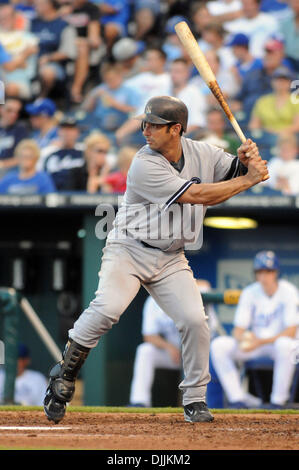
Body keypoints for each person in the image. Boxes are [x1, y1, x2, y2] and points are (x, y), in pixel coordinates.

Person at [43, 95, 268, 425]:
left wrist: (247, 161)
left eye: (154, 125)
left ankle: (194, 399)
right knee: (107, 309)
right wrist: (249, 178)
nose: (145, 129)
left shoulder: (202, 152)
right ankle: (64, 373)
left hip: (170, 257)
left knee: (195, 321)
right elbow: (199, 194)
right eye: (145, 123)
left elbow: (231, 172)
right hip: (129, 249)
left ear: (176, 129)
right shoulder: (144, 162)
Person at [211, 251, 299, 409]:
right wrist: (245, 339)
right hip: (256, 345)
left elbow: (291, 331)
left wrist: (259, 341)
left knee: (285, 344)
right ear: (256, 274)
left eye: (268, 271)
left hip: (279, 346)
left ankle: (278, 401)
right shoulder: (250, 292)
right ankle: (237, 400)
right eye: (260, 272)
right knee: (219, 345)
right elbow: (238, 329)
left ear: (276, 273)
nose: (264, 276)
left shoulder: (288, 291)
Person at [129, 279, 220, 407]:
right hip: (175, 354)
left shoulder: (193, 291)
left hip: (200, 352)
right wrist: (169, 347)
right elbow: (149, 336)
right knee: (145, 350)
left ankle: (202, 403)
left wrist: (183, 283)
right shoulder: (153, 301)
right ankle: (139, 401)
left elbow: (205, 284)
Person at [82, 62, 140, 142]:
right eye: (107, 79)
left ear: (119, 77)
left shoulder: (129, 90)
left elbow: (135, 110)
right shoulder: (101, 89)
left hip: (120, 123)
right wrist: (93, 98)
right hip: (99, 123)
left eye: (112, 79)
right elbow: (86, 109)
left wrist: (114, 103)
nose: (110, 82)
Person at [30, 0, 77, 98]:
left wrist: (48, 57)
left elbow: (68, 52)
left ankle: (41, 99)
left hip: (53, 64)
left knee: (47, 72)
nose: (35, 6)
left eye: (39, 4)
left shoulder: (64, 25)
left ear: (50, 5)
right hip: (30, 61)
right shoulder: (32, 23)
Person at [60, 0, 102, 103]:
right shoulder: (62, 7)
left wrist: (82, 41)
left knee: (82, 48)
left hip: (83, 46)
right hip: (63, 44)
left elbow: (94, 40)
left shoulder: (91, 8)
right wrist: (59, 15)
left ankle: (76, 89)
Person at [0, 3, 38, 99]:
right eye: (1, 17)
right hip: (2, 80)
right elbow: (9, 66)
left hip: (23, 81)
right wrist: (24, 55)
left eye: (7, 17)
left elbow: (28, 66)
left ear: (15, 17)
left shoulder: (28, 37)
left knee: (10, 88)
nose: (4, 20)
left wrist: (12, 62)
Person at [249, 66, 299, 138]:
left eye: (284, 80)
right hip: (266, 137)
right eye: (278, 79)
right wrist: (265, 131)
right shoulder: (263, 101)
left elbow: (297, 125)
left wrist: (280, 132)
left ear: (290, 82)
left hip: (289, 138)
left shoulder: (296, 100)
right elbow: (254, 124)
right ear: (272, 81)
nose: (281, 83)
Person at [42, 116, 84, 191]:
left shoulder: (85, 153)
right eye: (64, 129)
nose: (67, 133)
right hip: (54, 197)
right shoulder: (48, 153)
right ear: (58, 132)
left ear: (78, 132)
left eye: (71, 129)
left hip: (79, 196)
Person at [0, 97, 28, 175]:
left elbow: (22, 157)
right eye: (9, 110)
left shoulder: (21, 129)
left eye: (16, 112)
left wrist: (2, 164)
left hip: (10, 171)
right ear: (1, 109)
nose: (13, 115)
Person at [279, 0, 299, 73]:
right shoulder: (285, 23)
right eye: (293, 2)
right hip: (289, 62)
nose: (296, 5)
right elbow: (281, 44)